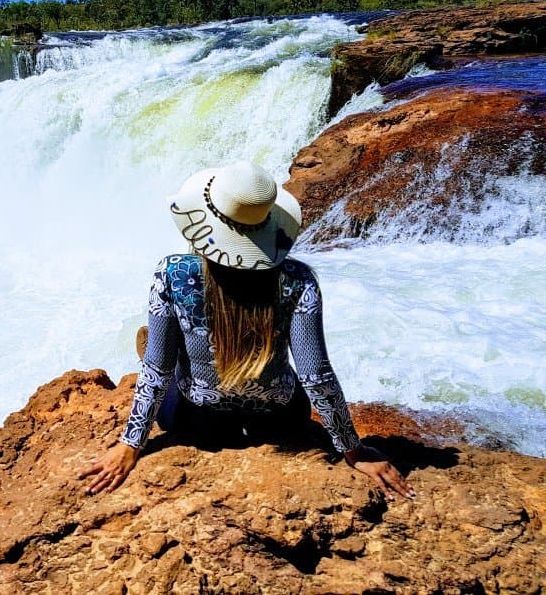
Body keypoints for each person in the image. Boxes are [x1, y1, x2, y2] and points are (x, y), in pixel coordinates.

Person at [80, 162, 413, 500]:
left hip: (196, 421)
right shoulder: (299, 280)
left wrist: (130, 444)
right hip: (281, 420)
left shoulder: (172, 273)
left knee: (161, 353)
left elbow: (157, 368)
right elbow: (315, 375)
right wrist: (352, 450)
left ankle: (160, 339)